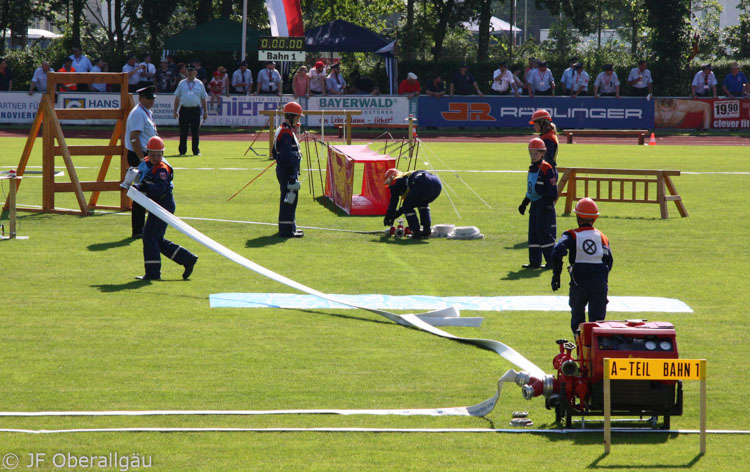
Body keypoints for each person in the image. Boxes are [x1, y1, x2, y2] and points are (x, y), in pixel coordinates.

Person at [133, 136, 198, 281]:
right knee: (155, 239)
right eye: (152, 154)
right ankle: (187, 259)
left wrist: (144, 187)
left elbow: (159, 189)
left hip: (164, 205)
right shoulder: (145, 164)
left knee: (150, 238)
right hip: (157, 205)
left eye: (159, 154)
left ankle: (153, 273)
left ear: (162, 154)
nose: (156, 157)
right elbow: (141, 180)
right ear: (147, 153)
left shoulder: (162, 169)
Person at [550, 198, 613, 334]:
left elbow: (557, 251)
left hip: (579, 281)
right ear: (594, 219)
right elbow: (609, 261)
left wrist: (557, 275)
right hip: (599, 282)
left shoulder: (572, 235)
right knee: (597, 323)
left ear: (578, 217)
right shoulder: (603, 237)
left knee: (578, 319)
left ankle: (580, 347)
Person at [518, 138, 557, 269]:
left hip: (544, 206)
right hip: (535, 205)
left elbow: (553, 191)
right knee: (533, 233)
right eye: (531, 153)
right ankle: (534, 261)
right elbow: (531, 190)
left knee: (543, 232)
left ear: (542, 153)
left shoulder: (547, 168)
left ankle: (551, 261)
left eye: (536, 153)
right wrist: (525, 203)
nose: (533, 156)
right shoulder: (531, 168)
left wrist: (547, 203)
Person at [125, 86, 159, 239]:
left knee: (146, 192)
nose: (152, 100)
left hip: (145, 155)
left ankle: (143, 228)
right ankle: (138, 229)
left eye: (153, 98)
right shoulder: (139, 113)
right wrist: (142, 160)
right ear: (141, 98)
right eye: (149, 98)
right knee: (141, 194)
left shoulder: (145, 111)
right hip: (140, 155)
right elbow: (134, 138)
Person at [273, 101, 305, 238]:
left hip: (285, 170)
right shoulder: (286, 133)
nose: (298, 120)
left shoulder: (284, 130)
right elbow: (287, 156)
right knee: (289, 200)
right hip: (288, 172)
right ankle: (286, 231)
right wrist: (292, 174)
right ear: (291, 116)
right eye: (297, 117)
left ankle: (290, 227)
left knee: (290, 199)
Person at [383, 168, 442, 239]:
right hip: (437, 184)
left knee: (408, 206)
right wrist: (396, 214)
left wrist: (388, 216)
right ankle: (426, 230)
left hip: (423, 183)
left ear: (390, 178)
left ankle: (416, 232)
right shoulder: (405, 176)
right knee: (422, 204)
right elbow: (411, 203)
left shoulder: (395, 181)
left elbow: (394, 201)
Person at [173, 65, 208, 156]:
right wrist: (174, 111)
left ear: (195, 73)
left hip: (195, 110)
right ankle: (182, 151)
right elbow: (177, 98)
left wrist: (205, 112)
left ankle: (196, 151)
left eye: (191, 71)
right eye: (188, 71)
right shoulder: (182, 83)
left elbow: (203, 99)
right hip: (184, 109)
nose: (189, 73)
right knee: (183, 131)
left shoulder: (200, 83)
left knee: (195, 131)